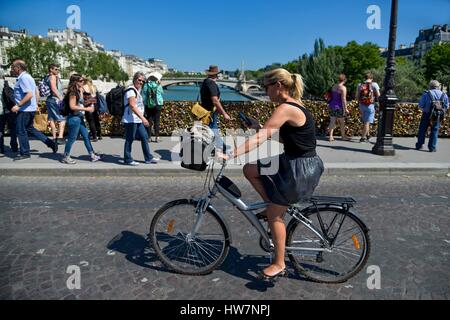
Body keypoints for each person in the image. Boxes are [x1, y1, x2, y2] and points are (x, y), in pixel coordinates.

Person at [219, 68, 324, 280]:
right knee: (250, 169)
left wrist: (230, 154)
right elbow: (290, 140)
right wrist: (259, 126)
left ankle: (279, 263)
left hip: (299, 168)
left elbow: (260, 140)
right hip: (295, 160)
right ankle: (270, 205)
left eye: (267, 87)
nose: (265, 92)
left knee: (276, 215)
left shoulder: (285, 108)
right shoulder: (294, 105)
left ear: (278, 86)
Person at [10, 59, 58, 161]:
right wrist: (35, 104)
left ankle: (25, 152)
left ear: (18, 68)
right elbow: (35, 91)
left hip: (24, 109)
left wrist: (18, 105)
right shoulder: (28, 77)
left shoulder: (23, 78)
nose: (12, 69)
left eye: (13, 67)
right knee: (30, 129)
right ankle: (51, 143)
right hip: (29, 108)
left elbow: (29, 94)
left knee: (21, 131)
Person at [61, 74, 101, 164]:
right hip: (74, 118)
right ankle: (66, 156)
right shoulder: (72, 92)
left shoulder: (78, 91)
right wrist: (86, 109)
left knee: (86, 136)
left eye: (83, 80)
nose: (83, 82)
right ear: (75, 82)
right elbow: (72, 106)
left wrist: (91, 101)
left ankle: (92, 154)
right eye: (81, 81)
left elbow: (81, 102)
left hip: (78, 117)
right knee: (72, 138)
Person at [122, 72, 159, 166]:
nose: (141, 82)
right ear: (134, 79)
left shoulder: (137, 90)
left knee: (144, 137)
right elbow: (132, 106)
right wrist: (143, 118)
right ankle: (128, 159)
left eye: (143, 81)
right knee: (130, 139)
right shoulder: (131, 91)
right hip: (131, 119)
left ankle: (148, 158)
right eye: (139, 80)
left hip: (137, 119)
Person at [200, 65, 231, 150]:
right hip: (210, 112)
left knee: (212, 129)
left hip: (205, 110)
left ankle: (218, 146)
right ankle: (220, 146)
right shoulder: (211, 83)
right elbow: (215, 100)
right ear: (216, 75)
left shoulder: (205, 81)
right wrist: (224, 113)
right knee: (213, 129)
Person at [415, 80, 449, 152]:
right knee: (434, 130)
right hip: (438, 115)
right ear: (438, 86)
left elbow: (420, 106)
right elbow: (446, 106)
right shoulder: (444, 95)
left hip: (427, 114)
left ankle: (419, 145)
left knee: (422, 129)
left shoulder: (426, 94)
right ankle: (432, 147)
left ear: (430, 86)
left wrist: (425, 109)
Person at [355, 72, 380, 142]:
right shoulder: (374, 84)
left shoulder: (360, 85)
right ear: (371, 78)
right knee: (367, 122)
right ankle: (363, 138)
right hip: (370, 105)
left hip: (361, 105)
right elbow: (378, 95)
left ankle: (368, 135)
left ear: (365, 78)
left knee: (365, 120)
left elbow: (357, 96)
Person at [45, 64, 66, 145]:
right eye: (56, 69)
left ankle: (54, 138)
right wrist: (61, 98)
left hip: (49, 100)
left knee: (51, 119)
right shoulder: (53, 77)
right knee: (63, 117)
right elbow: (54, 88)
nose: (57, 71)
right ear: (51, 69)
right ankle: (60, 138)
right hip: (55, 100)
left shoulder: (46, 77)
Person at [327, 74, 351, 142]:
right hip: (339, 107)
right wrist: (345, 109)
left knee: (332, 122)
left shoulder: (334, 86)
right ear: (345, 80)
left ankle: (330, 137)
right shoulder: (343, 88)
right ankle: (343, 136)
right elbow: (343, 99)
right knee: (342, 122)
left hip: (332, 105)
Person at [0, 69, 18, 154]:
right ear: (3, 75)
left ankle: (1, 148)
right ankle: (14, 146)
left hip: (0, 111)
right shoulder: (9, 83)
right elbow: (15, 96)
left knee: (0, 130)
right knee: (13, 128)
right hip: (10, 109)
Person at [143, 72, 164, 142]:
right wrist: (159, 83)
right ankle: (157, 137)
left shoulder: (146, 85)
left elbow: (144, 93)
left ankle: (149, 137)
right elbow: (161, 92)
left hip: (148, 104)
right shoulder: (158, 85)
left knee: (149, 120)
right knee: (157, 121)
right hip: (158, 104)